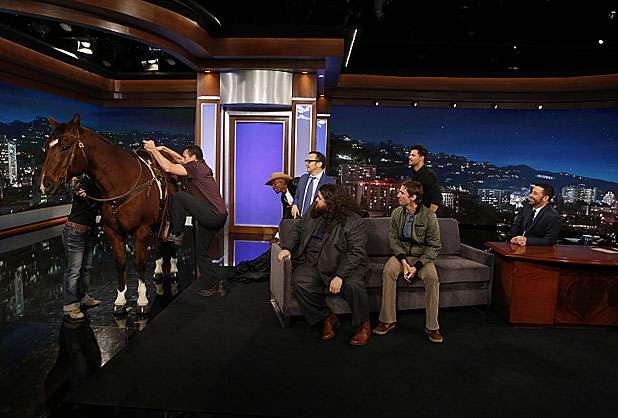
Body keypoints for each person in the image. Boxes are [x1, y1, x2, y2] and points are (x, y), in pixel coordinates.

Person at [278, 184, 371, 345]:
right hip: (313, 261)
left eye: (320, 199)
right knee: (300, 281)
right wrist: (287, 248)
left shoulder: (354, 221)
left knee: (354, 285)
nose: (316, 200)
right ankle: (327, 317)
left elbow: (356, 253)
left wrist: (340, 275)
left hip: (341, 263)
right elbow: (298, 229)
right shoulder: (315, 210)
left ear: (332, 204)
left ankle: (364, 324)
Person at [143, 141, 228, 297]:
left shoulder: (195, 167)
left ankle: (177, 232)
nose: (182, 159)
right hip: (216, 216)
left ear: (193, 157)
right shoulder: (199, 165)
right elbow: (180, 160)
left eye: (185, 157)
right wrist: (165, 149)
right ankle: (216, 284)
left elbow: (168, 168)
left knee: (180, 197)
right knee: (201, 252)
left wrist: (153, 150)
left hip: (213, 214)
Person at [373, 180, 444, 343]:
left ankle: (432, 326)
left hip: (422, 257)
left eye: (402, 193)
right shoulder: (397, 213)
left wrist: (416, 267)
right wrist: (405, 263)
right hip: (402, 255)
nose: (398, 195)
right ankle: (387, 321)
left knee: (432, 278)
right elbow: (394, 240)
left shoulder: (429, 216)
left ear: (413, 197)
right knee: (388, 271)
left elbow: (434, 246)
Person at [62, 175, 100, 320]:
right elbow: (74, 187)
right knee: (74, 270)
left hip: (88, 231)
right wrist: (78, 190)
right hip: (75, 231)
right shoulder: (86, 181)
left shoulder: (98, 186)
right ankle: (70, 306)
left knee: (86, 268)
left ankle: (82, 297)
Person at [291, 151, 336, 219]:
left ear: (319, 164)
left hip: (317, 221)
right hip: (300, 220)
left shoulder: (329, 182)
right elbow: (297, 196)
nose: (306, 164)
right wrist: (294, 205)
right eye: (306, 161)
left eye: (309, 161)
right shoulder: (303, 178)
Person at [408, 144, 442, 214]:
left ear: (421, 158)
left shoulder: (428, 175)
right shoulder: (415, 175)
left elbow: (437, 198)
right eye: (410, 155)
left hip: (429, 218)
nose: (409, 157)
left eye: (413, 155)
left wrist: (428, 215)